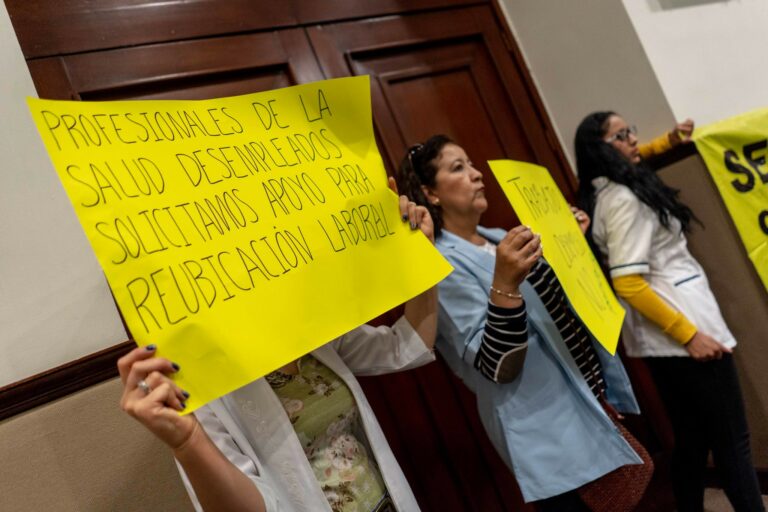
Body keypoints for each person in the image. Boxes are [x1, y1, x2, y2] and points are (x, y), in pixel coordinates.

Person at [119, 181, 438, 512]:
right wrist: (186, 442)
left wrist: (421, 258)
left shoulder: (305, 331)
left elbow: (405, 345)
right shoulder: (197, 381)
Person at [397, 135, 650, 511]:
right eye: (458, 168)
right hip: (543, 426)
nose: (477, 174)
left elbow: (563, 305)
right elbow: (496, 364)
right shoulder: (439, 267)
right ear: (430, 193)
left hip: (585, 398)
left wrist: (569, 242)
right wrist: (504, 283)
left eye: (471, 163)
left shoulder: (499, 238)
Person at [575, 112, 765, 512]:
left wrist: (668, 142)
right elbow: (627, 281)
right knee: (733, 441)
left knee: (694, 439)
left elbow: (638, 153)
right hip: (684, 333)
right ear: (601, 149)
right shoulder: (625, 199)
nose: (634, 139)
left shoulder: (607, 193)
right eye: (622, 135)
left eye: (632, 131)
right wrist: (690, 335)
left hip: (661, 341)